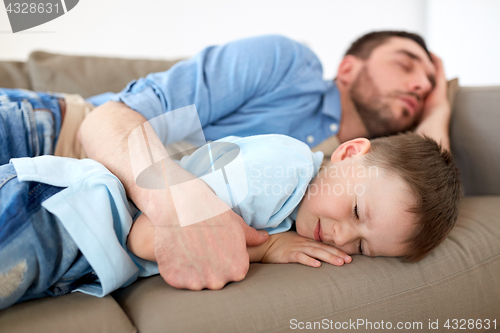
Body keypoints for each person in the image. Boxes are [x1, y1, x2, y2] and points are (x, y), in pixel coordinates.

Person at [0, 31, 452, 290]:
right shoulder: (289, 66)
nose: (419, 84)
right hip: (51, 131)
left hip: (82, 212)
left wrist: (440, 111)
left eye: (428, 85)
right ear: (350, 67)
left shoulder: (359, 186)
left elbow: (430, 187)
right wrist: (186, 208)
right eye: (407, 63)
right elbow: (104, 122)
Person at [0, 132, 462, 310]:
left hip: (71, 245)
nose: (342, 237)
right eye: (357, 213)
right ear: (347, 152)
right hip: (56, 212)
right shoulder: (278, 171)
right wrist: (266, 249)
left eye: (361, 247)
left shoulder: (294, 206)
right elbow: (149, 238)